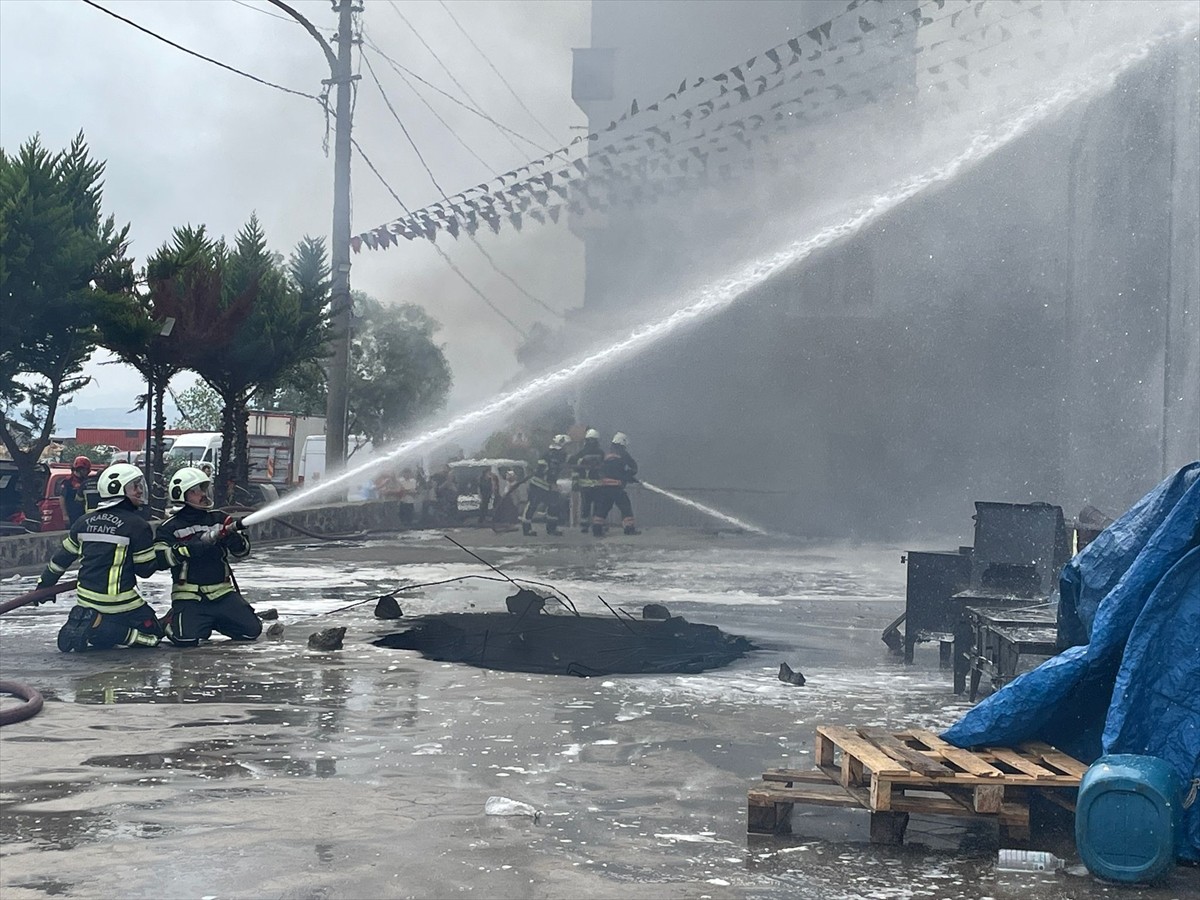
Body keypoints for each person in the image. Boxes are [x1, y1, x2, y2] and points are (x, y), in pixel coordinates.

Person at [35, 462, 173, 652]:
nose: (140, 491)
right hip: (119, 602)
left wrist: (44, 585)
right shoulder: (137, 525)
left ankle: (93, 625)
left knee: (104, 643)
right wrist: (168, 554)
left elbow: (61, 559)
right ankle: (98, 625)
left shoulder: (83, 522)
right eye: (135, 486)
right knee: (152, 637)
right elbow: (145, 570)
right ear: (120, 489)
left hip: (85, 600)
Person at [159, 466, 260, 648]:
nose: (203, 494)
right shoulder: (169, 527)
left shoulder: (219, 519)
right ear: (181, 494)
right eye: (196, 491)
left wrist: (231, 537)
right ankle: (169, 622)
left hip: (221, 593)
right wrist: (192, 547)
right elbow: (160, 559)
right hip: (190, 596)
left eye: (204, 489)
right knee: (185, 640)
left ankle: (211, 621)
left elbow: (243, 551)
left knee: (251, 631)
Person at [592, 432, 640, 537]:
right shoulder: (623, 454)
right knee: (625, 506)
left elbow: (600, 469)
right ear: (622, 443)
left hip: (604, 487)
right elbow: (634, 468)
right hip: (616, 487)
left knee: (603, 508)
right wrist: (627, 476)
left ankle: (597, 530)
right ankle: (629, 528)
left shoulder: (607, 455)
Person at [521, 435, 570, 536]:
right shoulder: (556, 455)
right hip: (540, 485)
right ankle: (527, 529)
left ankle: (551, 528)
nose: (568, 448)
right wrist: (552, 483)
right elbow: (551, 470)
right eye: (568, 445)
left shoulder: (551, 453)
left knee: (553, 506)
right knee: (533, 505)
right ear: (563, 445)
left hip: (546, 485)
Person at [569, 428, 604, 534]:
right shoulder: (600, 452)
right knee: (595, 506)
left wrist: (575, 482)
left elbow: (575, 468)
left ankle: (585, 526)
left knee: (586, 506)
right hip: (596, 485)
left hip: (586, 485)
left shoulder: (582, 453)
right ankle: (596, 526)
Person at [59, 455, 92, 527]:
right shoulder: (67, 482)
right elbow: (62, 498)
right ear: (80, 469)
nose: (87, 473)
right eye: (85, 470)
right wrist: (65, 515)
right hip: (72, 515)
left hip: (84, 515)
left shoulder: (86, 481)